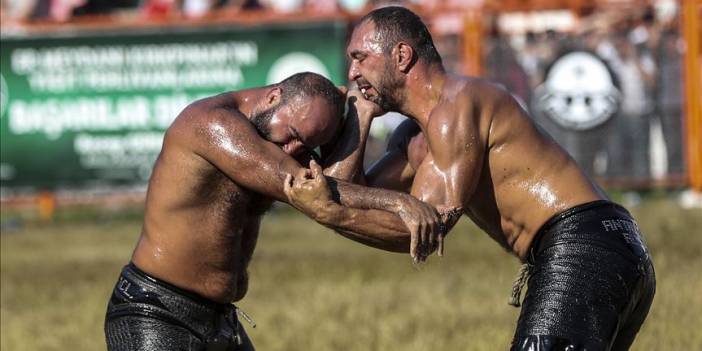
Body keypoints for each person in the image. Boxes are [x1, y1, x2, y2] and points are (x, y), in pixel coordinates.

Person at [284, 7, 656, 350]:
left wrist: (329, 214)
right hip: (606, 247)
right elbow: (351, 195)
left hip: (583, 248)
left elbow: (423, 227)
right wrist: (359, 118)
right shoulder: (415, 137)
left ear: (401, 56)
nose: (351, 73)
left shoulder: (456, 106)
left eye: (360, 58)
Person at [104, 72, 452, 351]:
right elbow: (300, 183)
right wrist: (399, 202)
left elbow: (331, 189)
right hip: (156, 312)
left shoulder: (277, 140)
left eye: (307, 145)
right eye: (293, 135)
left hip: (220, 318)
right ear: (273, 97)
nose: (294, 149)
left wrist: (359, 112)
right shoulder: (212, 124)